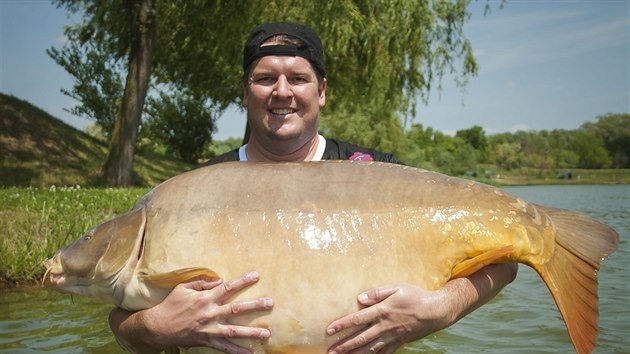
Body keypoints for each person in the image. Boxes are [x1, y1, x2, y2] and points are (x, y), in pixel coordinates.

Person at [109, 22, 518, 354]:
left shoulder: (381, 174)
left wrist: (441, 308)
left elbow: (507, 257)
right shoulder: (194, 192)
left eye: (298, 78)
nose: (281, 92)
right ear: (244, 92)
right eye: (265, 77)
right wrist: (154, 327)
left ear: (321, 92)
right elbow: (121, 321)